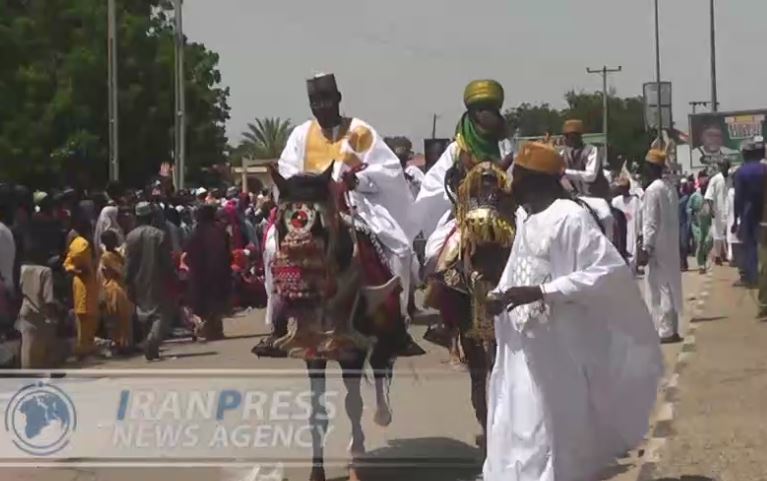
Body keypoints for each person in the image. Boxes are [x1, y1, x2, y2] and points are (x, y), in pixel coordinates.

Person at [482, 141, 662, 481]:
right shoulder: (527, 217)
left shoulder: (571, 218)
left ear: (536, 180)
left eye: (517, 177)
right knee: (516, 420)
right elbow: (517, 268)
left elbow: (605, 273)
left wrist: (542, 292)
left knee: (550, 428)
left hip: (557, 349)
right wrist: (499, 295)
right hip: (522, 344)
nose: (511, 184)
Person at [263, 73, 420, 353]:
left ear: (337, 99)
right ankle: (277, 323)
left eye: (325, 99)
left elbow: (388, 170)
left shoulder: (359, 132)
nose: (320, 107)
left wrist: (357, 181)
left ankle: (396, 323)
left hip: (354, 200)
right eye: (314, 101)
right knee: (272, 245)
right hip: (307, 205)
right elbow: (286, 172)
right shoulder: (301, 133)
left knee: (401, 249)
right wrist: (302, 190)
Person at [639, 149, 683, 343]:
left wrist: (646, 247)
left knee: (660, 287)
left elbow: (651, 222)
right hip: (671, 243)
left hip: (657, 245)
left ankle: (665, 331)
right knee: (671, 285)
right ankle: (671, 327)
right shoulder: (669, 187)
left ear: (651, 168)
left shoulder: (652, 190)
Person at [125, 201, 175, 360]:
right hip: (157, 277)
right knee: (160, 314)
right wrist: (172, 275)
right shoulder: (159, 235)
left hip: (138, 279)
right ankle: (151, 343)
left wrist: (127, 280)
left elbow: (128, 262)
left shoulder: (131, 236)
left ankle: (150, 345)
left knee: (144, 313)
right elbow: (166, 260)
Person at [185, 204, 232, 340]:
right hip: (218, 272)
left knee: (204, 303)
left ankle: (209, 329)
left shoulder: (194, 233)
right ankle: (214, 330)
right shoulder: (220, 232)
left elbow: (188, 252)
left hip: (199, 274)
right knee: (215, 303)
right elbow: (226, 253)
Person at [63, 216, 100, 357]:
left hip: (83, 282)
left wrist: (74, 270)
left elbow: (67, 263)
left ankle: (85, 348)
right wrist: (78, 270)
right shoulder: (82, 243)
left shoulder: (76, 242)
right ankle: (83, 350)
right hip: (85, 283)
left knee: (85, 317)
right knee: (85, 318)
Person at [732, 138, 766, 291]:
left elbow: (738, 197)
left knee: (750, 245)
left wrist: (736, 218)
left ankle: (753, 279)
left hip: (748, 212)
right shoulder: (764, 168)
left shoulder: (741, 172)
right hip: (764, 211)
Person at [100, 229, 134, 353]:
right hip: (114, 288)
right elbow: (121, 271)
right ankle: (120, 344)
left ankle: (126, 343)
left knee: (125, 317)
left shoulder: (116, 253)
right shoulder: (107, 256)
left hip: (121, 287)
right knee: (117, 318)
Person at [560, 119, 610, 199]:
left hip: (597, 197)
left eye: (572, 136)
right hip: (576, 197)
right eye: (566, 136)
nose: (567, 139)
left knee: (603, 211)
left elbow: (591, 176)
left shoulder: (592, 150)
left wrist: (565, 172)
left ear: (579, 137)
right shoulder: (563, 154)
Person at [612, 176, 643, 271]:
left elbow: (641, 217)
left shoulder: (636, 201)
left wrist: (641, 233)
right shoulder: (616, 201)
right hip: (619, 236)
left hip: (632, 234)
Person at [705, 160, 731, 265]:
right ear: (720, 167)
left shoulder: (731, 178)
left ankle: (728, 255)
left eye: (726, 166)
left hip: (730, 210)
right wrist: (711, 210)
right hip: (718, 211)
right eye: (723, 166)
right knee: (717, 234)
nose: (725, 168)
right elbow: (709, 196)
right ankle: (717, 256)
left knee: (729, 234)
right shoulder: (715, 179)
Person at [688, 177, 713, 273]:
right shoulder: (695, 196)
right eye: (703, 185)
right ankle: (701, 265)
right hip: (697, 224)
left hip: (707, 223)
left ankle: (704, 256)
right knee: (699, 243)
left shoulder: (710, 196)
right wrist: (693, 213)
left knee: (709, 241)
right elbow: (688, 208)